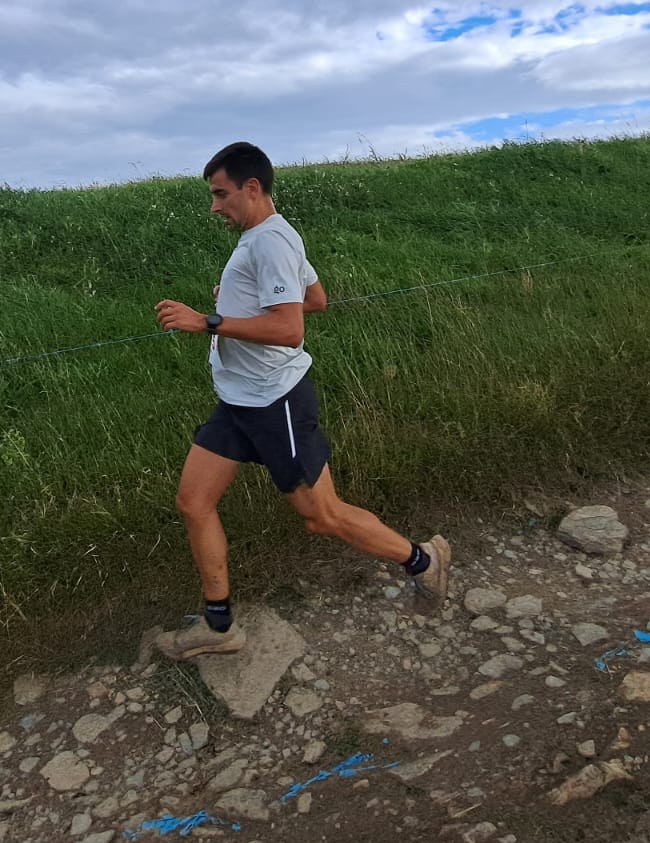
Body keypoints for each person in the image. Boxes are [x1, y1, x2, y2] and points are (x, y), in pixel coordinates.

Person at [151, 142, 451, 661]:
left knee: (321, 515)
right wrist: (246, 303)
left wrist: (211, 321)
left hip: (276, 402)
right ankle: (219, 627)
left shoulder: (269, 242)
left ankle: (423, 560)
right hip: (238, 402)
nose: (215, 206)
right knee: (193, 501)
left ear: (251, 187)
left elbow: (291, 328)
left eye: (221, 194)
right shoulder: (275, 236)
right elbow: (316, 299)